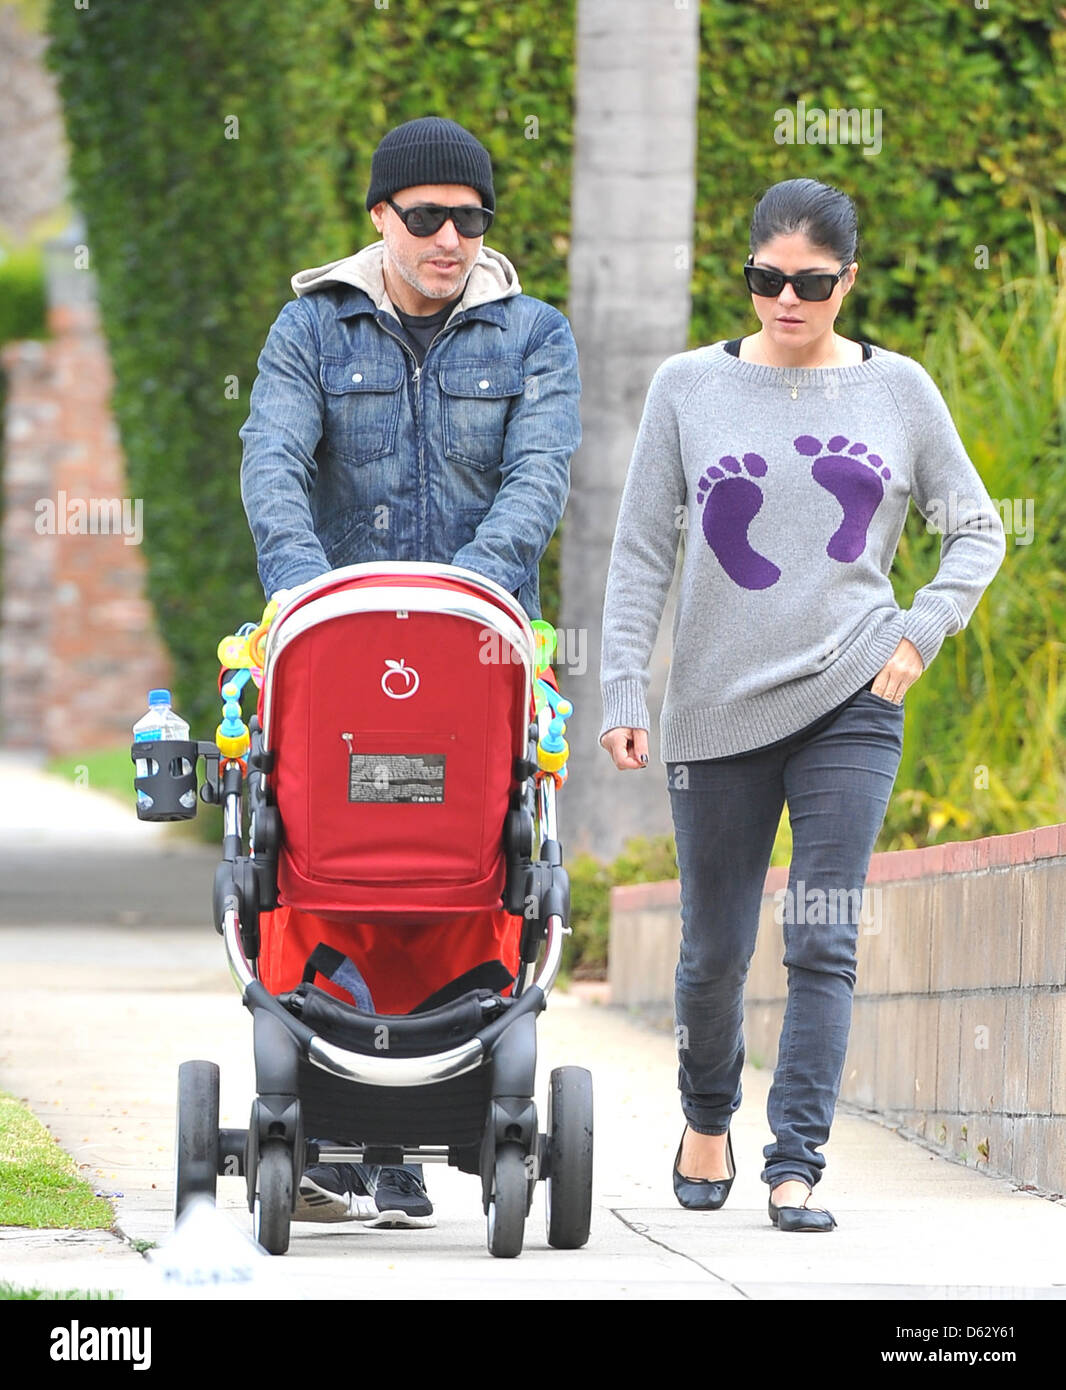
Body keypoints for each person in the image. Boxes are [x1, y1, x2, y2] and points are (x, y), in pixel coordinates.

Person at [598, 178, 1005, 1232]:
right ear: (746, 277)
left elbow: (976, 527)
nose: (786, 300)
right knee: (711, 952)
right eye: (766, 281)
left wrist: (920, 632)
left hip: (852, 691)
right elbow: (643, 547)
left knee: (822, 932)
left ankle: (795, 1162)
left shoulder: (899, 390)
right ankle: (704, 1115)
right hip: (714, 706)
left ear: (847, 282)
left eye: (811, 284)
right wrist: (618, 687)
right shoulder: (685, 387)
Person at [239, 115, 581, 1229]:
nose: (449, 238)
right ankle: (341, 1113)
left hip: (477, 654)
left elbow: (537, 478)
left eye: (470, 220)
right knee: (327, 845)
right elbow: (274, 461)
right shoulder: (309, 328)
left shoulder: (535, 334)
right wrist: (302, 595)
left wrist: (466, 599)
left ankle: (415, 1122)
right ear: (380, 215)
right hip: (337, 652)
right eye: (426, 216)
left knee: (472, 856)